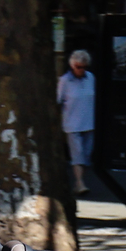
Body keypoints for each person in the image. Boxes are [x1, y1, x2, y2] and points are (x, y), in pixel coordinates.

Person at [57, 49, 98, 193]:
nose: (81, 70)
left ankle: (78, 183)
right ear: (72, 66)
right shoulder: (65, 81)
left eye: (84, 67)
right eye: (78, 67)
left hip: (88, 123)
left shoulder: (91, 78)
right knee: (77, 155)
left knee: (86, 156)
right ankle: (80, 183)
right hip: (72, 124)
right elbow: (59, 100)